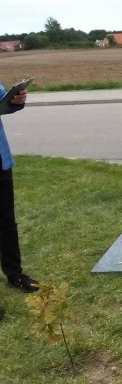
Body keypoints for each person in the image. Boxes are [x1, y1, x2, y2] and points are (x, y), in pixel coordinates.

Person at [1, 82, 39, 295]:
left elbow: (3, 100)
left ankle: (14, 274)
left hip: (0, 159)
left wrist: (16, 100)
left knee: (7, 221)